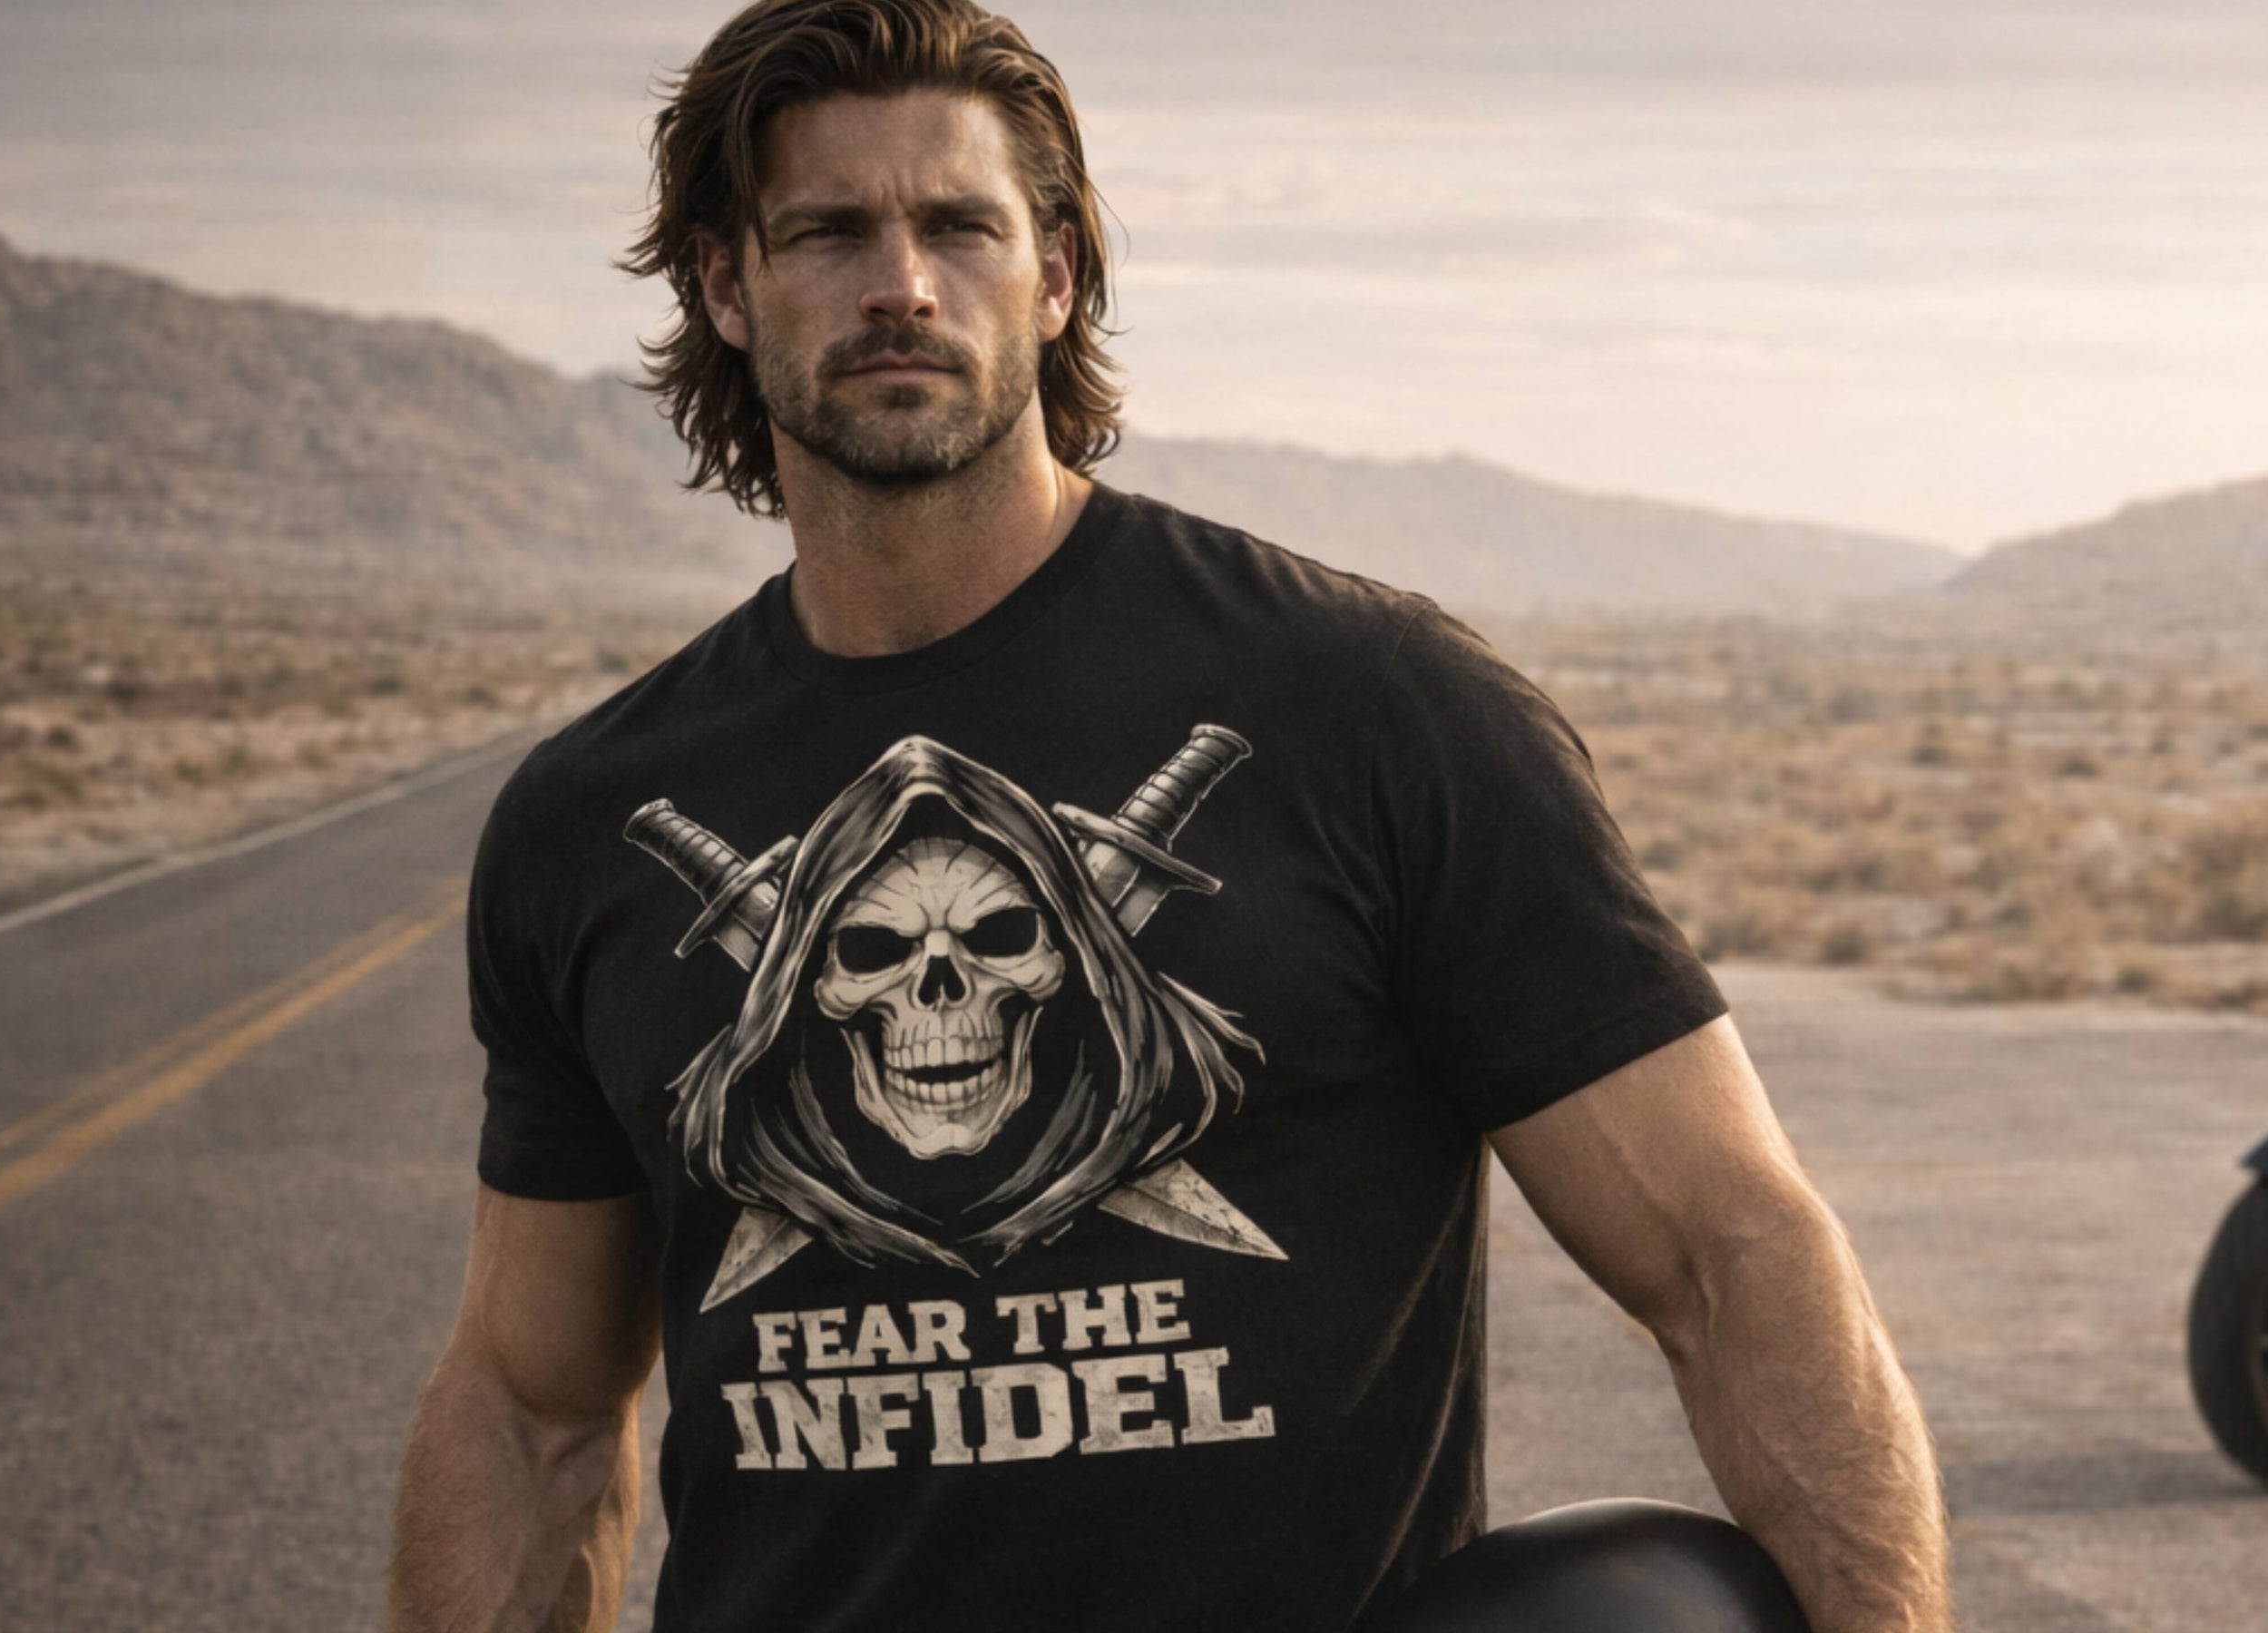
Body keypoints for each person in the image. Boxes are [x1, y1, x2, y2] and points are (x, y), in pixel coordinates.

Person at [384, 3, 1953, 1629]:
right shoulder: (589, 818)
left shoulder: (1374, 713)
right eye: (829, 231)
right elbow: (531, 1413)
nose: (901, 283)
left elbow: (1729, 1253)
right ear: (726, 285)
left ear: (1056, 275)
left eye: (960, 226)